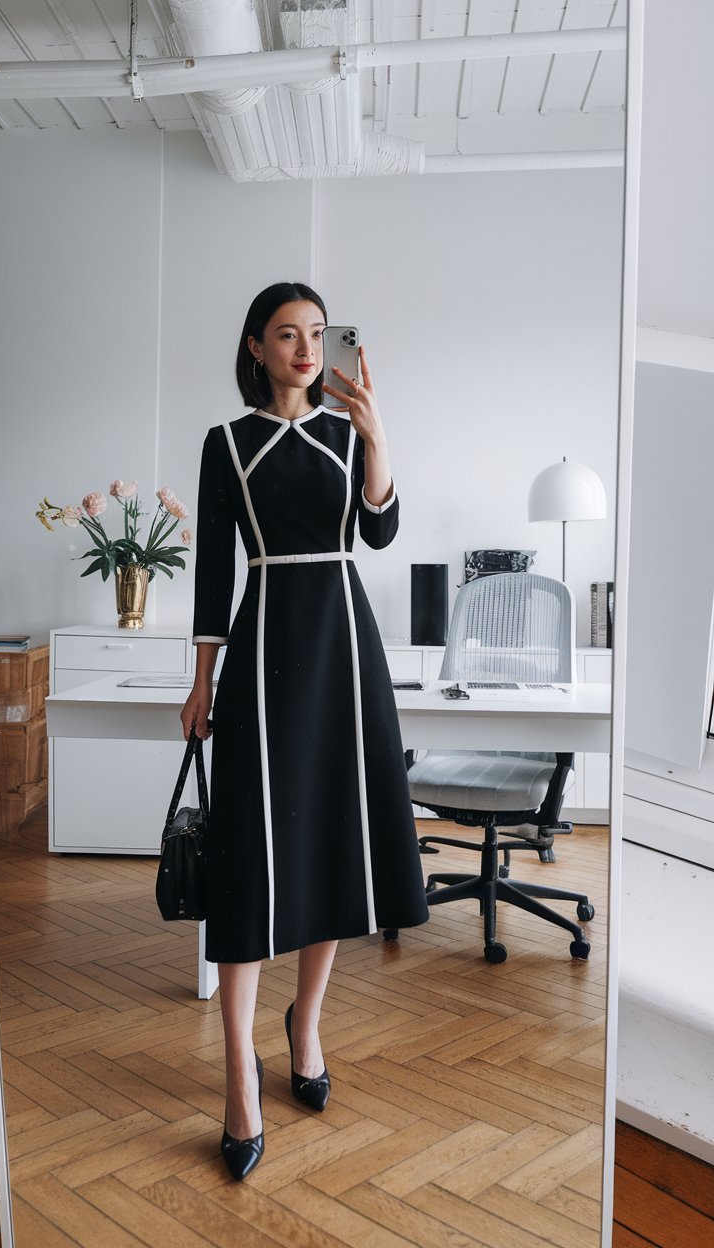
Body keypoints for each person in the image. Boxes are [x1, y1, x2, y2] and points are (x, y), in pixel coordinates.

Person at [181, 281, 428, 1180]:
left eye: (316, 334)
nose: (305, 348)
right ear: (255, 347)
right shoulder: (226, 445)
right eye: (287, 334)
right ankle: (239, 1077)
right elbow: (213, 572)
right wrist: (201, 679)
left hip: (344, 653)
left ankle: (306, 1023)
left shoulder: (340, 431)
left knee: (330, 841)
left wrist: (377, 437)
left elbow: (380, 530)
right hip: (261, 653)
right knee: (249, 856)